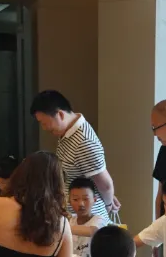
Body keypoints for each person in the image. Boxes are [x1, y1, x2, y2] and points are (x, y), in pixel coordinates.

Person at [30, 90, 119, 221]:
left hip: (86, 220)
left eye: (44, 123)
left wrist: (109, 203)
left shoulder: (83, 142)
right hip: (73, 216)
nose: (44, 128)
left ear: (60, 114)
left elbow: (105, 185)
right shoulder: (67, 132)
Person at [68, 176, 108, 257]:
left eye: (85, 199)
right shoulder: (71, 220)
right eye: (75, 199)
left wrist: (63, 228)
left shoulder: (99, 220)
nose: (81, 204)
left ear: (94, 200)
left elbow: (93, 231)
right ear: (69, 201)